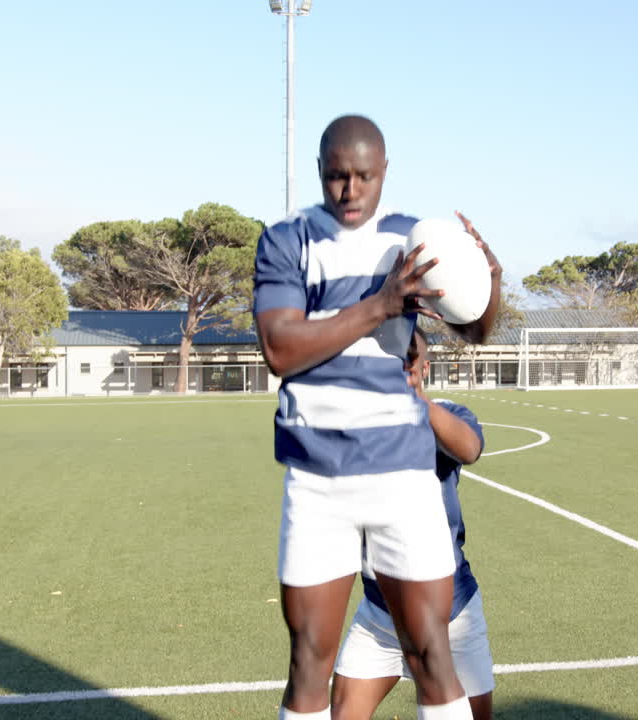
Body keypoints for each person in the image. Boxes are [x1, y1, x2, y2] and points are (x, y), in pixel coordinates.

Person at [252, 114, 501, 720]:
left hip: (400, 473)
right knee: (309, 659)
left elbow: (475, 329)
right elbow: (281, 348)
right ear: (320, 171)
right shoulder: (286, 241)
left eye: (364, 176)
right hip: (317, 475)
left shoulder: (409, 242)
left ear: (384, 172)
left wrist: (487, 278)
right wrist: (381, 304)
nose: (350, 190)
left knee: (429, 652)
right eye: (338, 176)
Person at [332, 328, 494, 720]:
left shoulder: (448, 414)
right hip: (379, 611)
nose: (398, 365)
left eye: (408, 357)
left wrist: (413, 401)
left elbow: (469, 448)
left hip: (449, 612)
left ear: (424, 367)